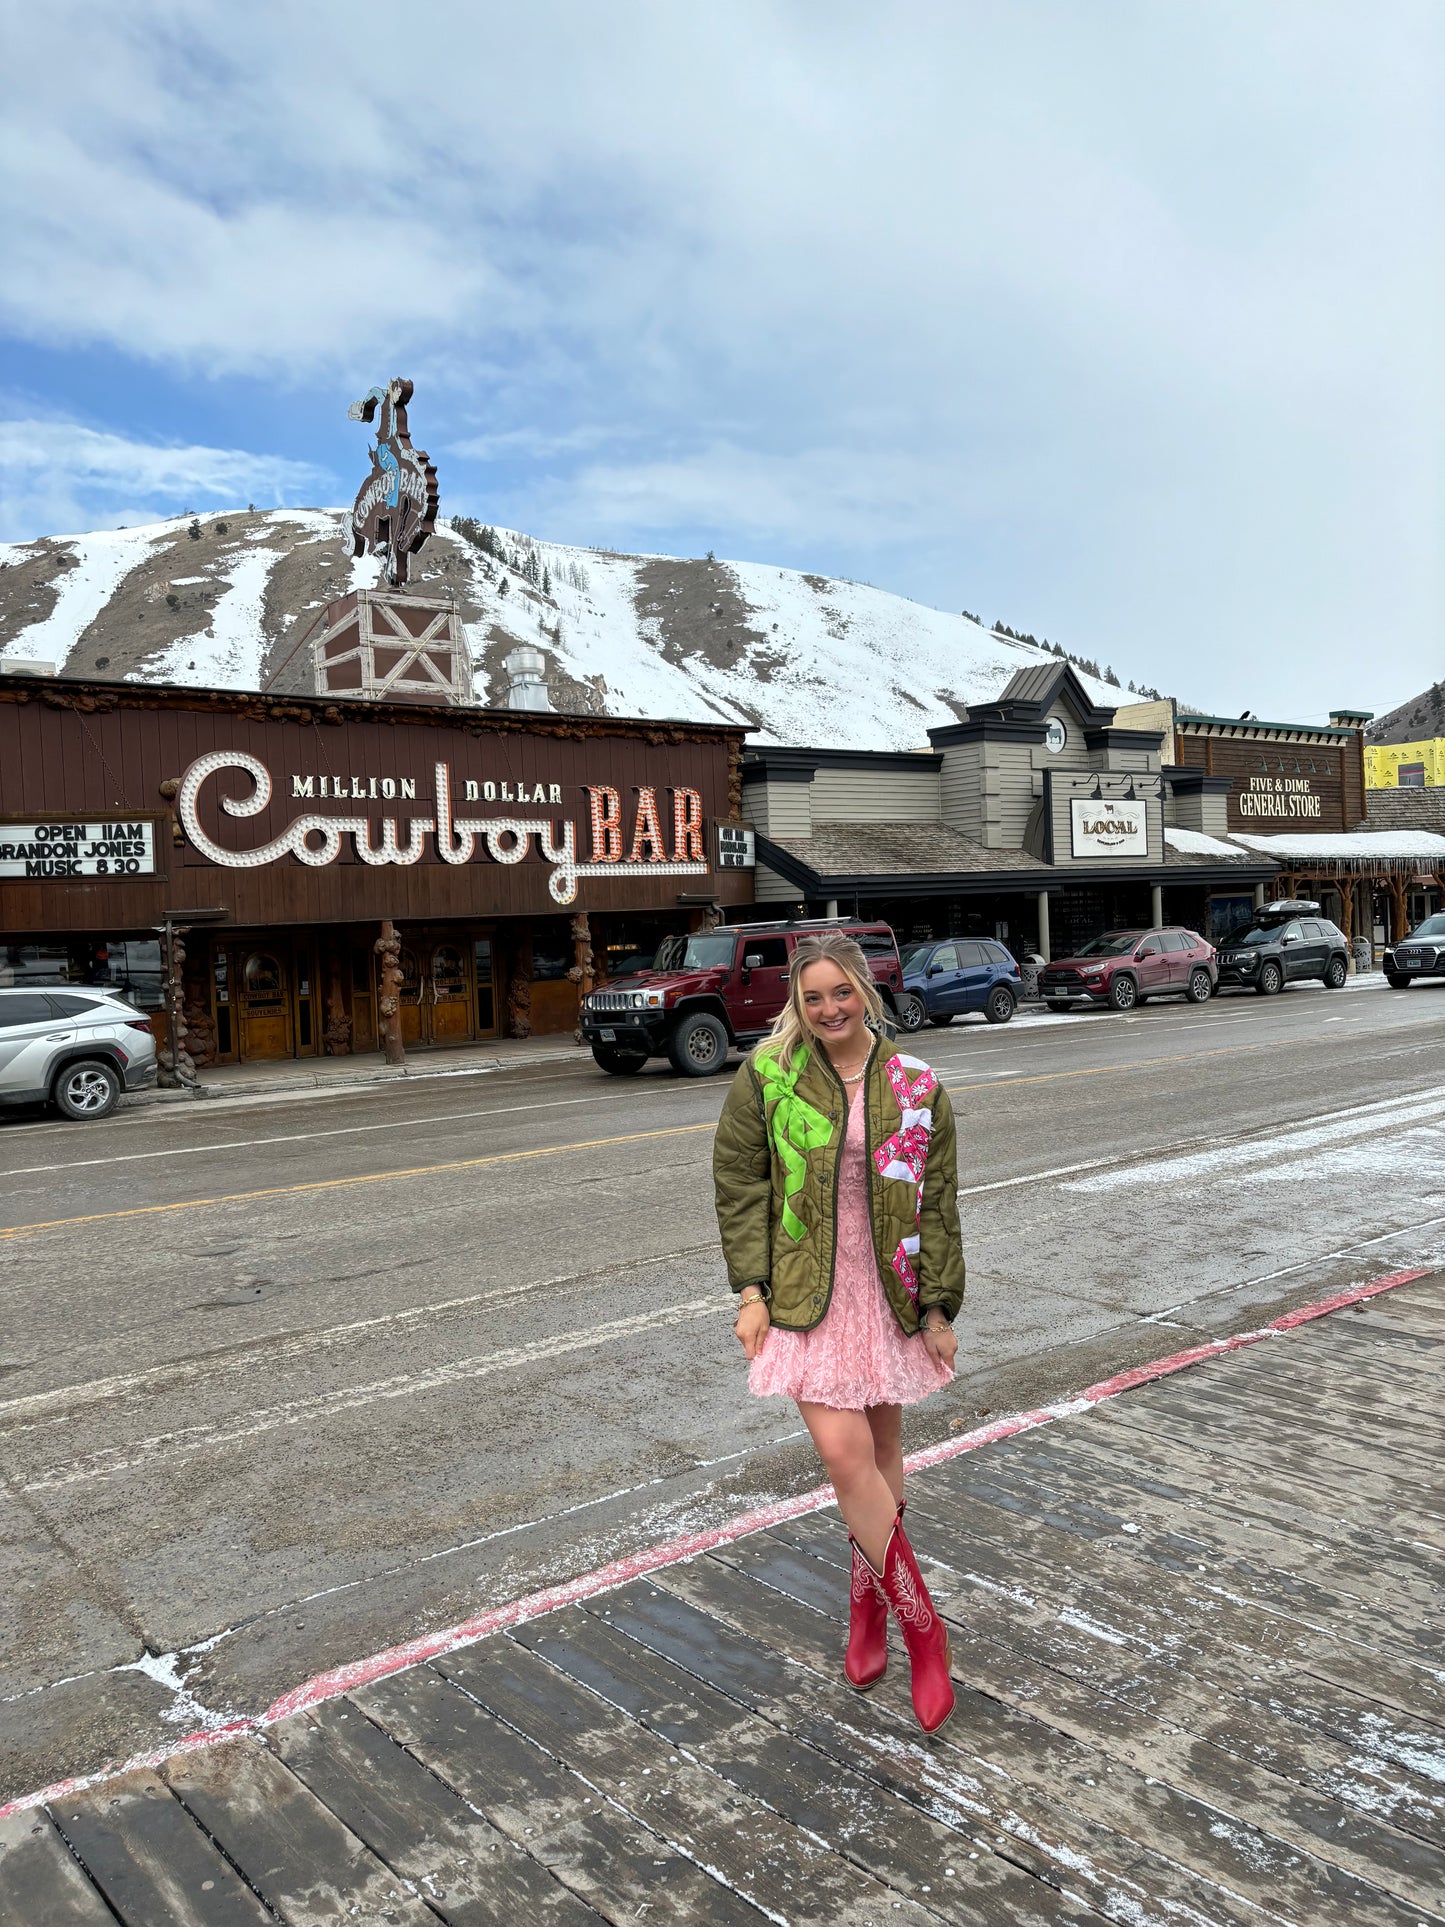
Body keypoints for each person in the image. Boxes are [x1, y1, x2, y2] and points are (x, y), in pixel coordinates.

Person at [712, 931, 964, 1733]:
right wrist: (750, 1291)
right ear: (797, 1000)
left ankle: (866, 1610)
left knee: (884, 1457)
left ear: (866, 988)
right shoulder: (768, 1077)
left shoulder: (914, 1083)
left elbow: (937, 1204)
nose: (827, 1009)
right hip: (803, 1293)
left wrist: (936, 1310)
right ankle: (924, 1629)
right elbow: (739, 1186)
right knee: (845, 1455)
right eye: (811, 996)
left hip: (886, 1291)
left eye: (840, 992)